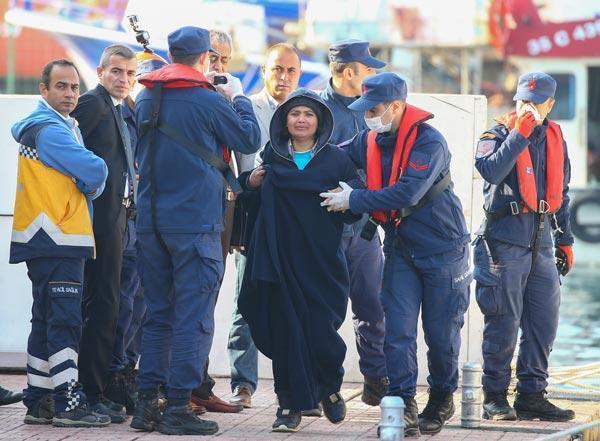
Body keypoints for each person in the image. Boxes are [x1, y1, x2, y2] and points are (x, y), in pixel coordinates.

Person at [321, 72, 471, 437]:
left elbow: (406, 193)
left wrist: (353, 199)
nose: (367, 116)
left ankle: (440, 398)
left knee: (440, 334)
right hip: (401, 249)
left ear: (397, 106)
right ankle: (403, 402)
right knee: (398, 332)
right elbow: (336, 155)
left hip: (443, 250)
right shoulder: (371, 137)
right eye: (364, 109)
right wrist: (293, 156)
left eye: (373, 109)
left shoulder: (429, 142)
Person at [131, 26, 260, 436]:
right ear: (205, 58)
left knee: (158, 315)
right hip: (195, 224)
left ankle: (147, 403)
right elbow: (249, 138)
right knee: (193, 318)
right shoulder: (207, 99)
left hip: (151, 223)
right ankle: (178, 407)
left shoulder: (146, 95)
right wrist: (237, 96)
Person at [239, 89, 360, 432]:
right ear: (284, 120)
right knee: (286, 330)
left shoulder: (337, 160)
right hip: (278, 260)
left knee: (321, 329)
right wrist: (250, 181)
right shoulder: (272, 158)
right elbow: (249, 194)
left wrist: (347, 198)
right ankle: (288, 406)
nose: (302, 119)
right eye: (295, 114)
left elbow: (356, 199)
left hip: (321, 261)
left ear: (320, 121)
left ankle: (330, 389)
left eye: (309, 114)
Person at [10, 59, 109, 427]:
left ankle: (39, 399)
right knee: (65, 322)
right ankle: (68, 402)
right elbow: (96, 171)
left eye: (74, 88)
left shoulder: (60, 126)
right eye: (61, 87)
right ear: (43, 90)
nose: (69, 94)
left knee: (45, 319)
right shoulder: (50, 130)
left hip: (48, 236)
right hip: (57, 236)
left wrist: (89, 177)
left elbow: (88, 176)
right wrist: (94, 176)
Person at [473, 72, 575, 422]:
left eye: (536, 103)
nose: (529, 108)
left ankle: (532, 395)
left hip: (542, 243)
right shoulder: (497, 133)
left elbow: (561, 194)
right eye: (523, 102)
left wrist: (566, 240)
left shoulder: (556, 137)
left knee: (543, 324)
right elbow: (489, 169)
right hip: (504, 242)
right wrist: (521, 133)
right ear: (515, 100)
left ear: (550, 105)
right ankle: (495, 398)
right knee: (502, 321)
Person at [228, 42, 302, 409]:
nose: (284, 77)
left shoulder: (306, 113)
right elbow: (233, 164)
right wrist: (246, 186)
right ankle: (243, 383)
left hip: (292, 220)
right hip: (253, 215)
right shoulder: (246, 109)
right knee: (247, 300)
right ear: (263, 72)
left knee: (296, 301)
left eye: (291, 71)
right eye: (277, 69)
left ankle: (298, 385)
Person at [319, 38, 388, 406]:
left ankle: (376, 377)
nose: (373, 74)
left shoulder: (375, 108)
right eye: (368, 68)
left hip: (364, 227)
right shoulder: (312, 108)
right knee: (325, 311)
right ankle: (325, 386)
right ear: (349, 72)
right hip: (325, 228)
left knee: (372, 307)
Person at [71, 44, 138, 423]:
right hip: (95, 224)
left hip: (118, 221)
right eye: (116, 71)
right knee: (101, 306)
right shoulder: (93, 105)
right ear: (99, 71)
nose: (123, 79)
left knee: (109, 306)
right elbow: (70, 153)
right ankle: (90, 393)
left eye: (130, 74)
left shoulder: (120, 107)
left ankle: (97, 388)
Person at [189, 28, 245, 415]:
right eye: (213, 58)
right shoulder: (186, 96)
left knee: (206, 302)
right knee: (186, 305)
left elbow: (243, 154)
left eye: (225, 60)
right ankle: (181, 388)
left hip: (222, 210)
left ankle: (198, 383)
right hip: (189, 215)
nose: (219, 67)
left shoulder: (223, 96)